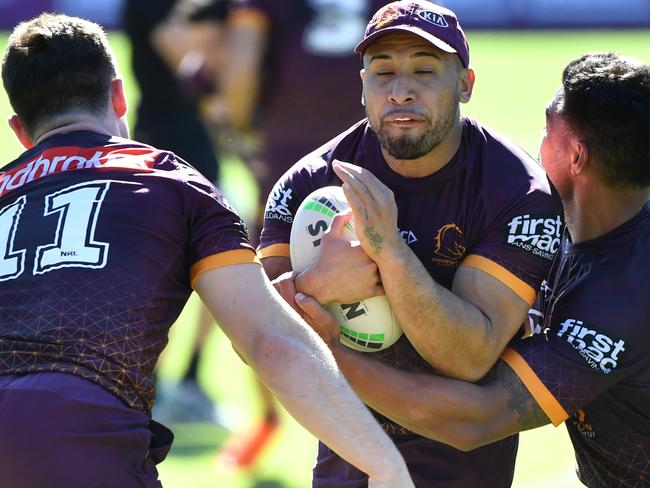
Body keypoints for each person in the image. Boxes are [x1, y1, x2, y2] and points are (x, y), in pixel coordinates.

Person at [0, 14, 415, 488]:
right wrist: (386, 468)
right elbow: (269, 342)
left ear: (19, 129)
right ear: (118, 96)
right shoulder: (169, 183)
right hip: (80, 435)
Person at [298, 51, 650, 488]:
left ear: (576, 156)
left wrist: (322, 350)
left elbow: (477, 419)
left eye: (546, 130)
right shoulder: (568, 234)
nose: (535, 146)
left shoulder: (625, 293)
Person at [259, 1, 563, 486]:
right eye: (383, 73)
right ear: (362, 87)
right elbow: (254, 330)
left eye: (424, 70)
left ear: (465, 84)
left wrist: (390, 253)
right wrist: (317, 283)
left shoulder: (516, 192)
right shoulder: (308, 184)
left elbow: (469, 356)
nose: (400, 91)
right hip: (343, 472)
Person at [123, 0, 228, 424]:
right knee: (157, 271)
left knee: (227, 260)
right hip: (157, 149)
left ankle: (190, 378)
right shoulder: (149, 5)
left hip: (203, 148)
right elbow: (190, 63)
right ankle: (150, 387)